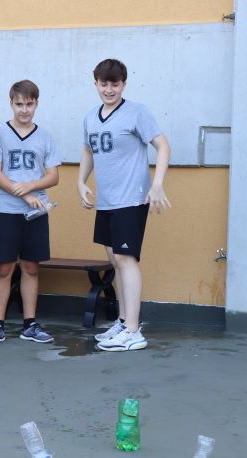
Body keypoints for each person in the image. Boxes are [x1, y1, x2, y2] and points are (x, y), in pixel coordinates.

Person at [77, 58, 171, 352]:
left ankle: (133, 330)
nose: (109, 90)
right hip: (107, 201)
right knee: (115, 260)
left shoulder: (136, 112)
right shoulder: (91, 117)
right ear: (96, 84)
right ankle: (122, 321)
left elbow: (163, 146)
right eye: (103, 84)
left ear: (124, 85)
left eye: (115, 84)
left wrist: (157, 184)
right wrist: (81, 181)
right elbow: (88, 150)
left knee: (126, 259)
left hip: (131, 198)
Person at [0, 80, 60, 346]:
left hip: (36, 212)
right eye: (19, 104)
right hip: (6, 209)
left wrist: (32, 186)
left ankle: (30, 324)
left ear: (36, 104)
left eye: (29, 104)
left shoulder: (45, 136)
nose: (24, 109)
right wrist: (24, 194)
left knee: (31, 267)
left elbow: (53, 176)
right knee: (4, 268)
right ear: (11, 104)